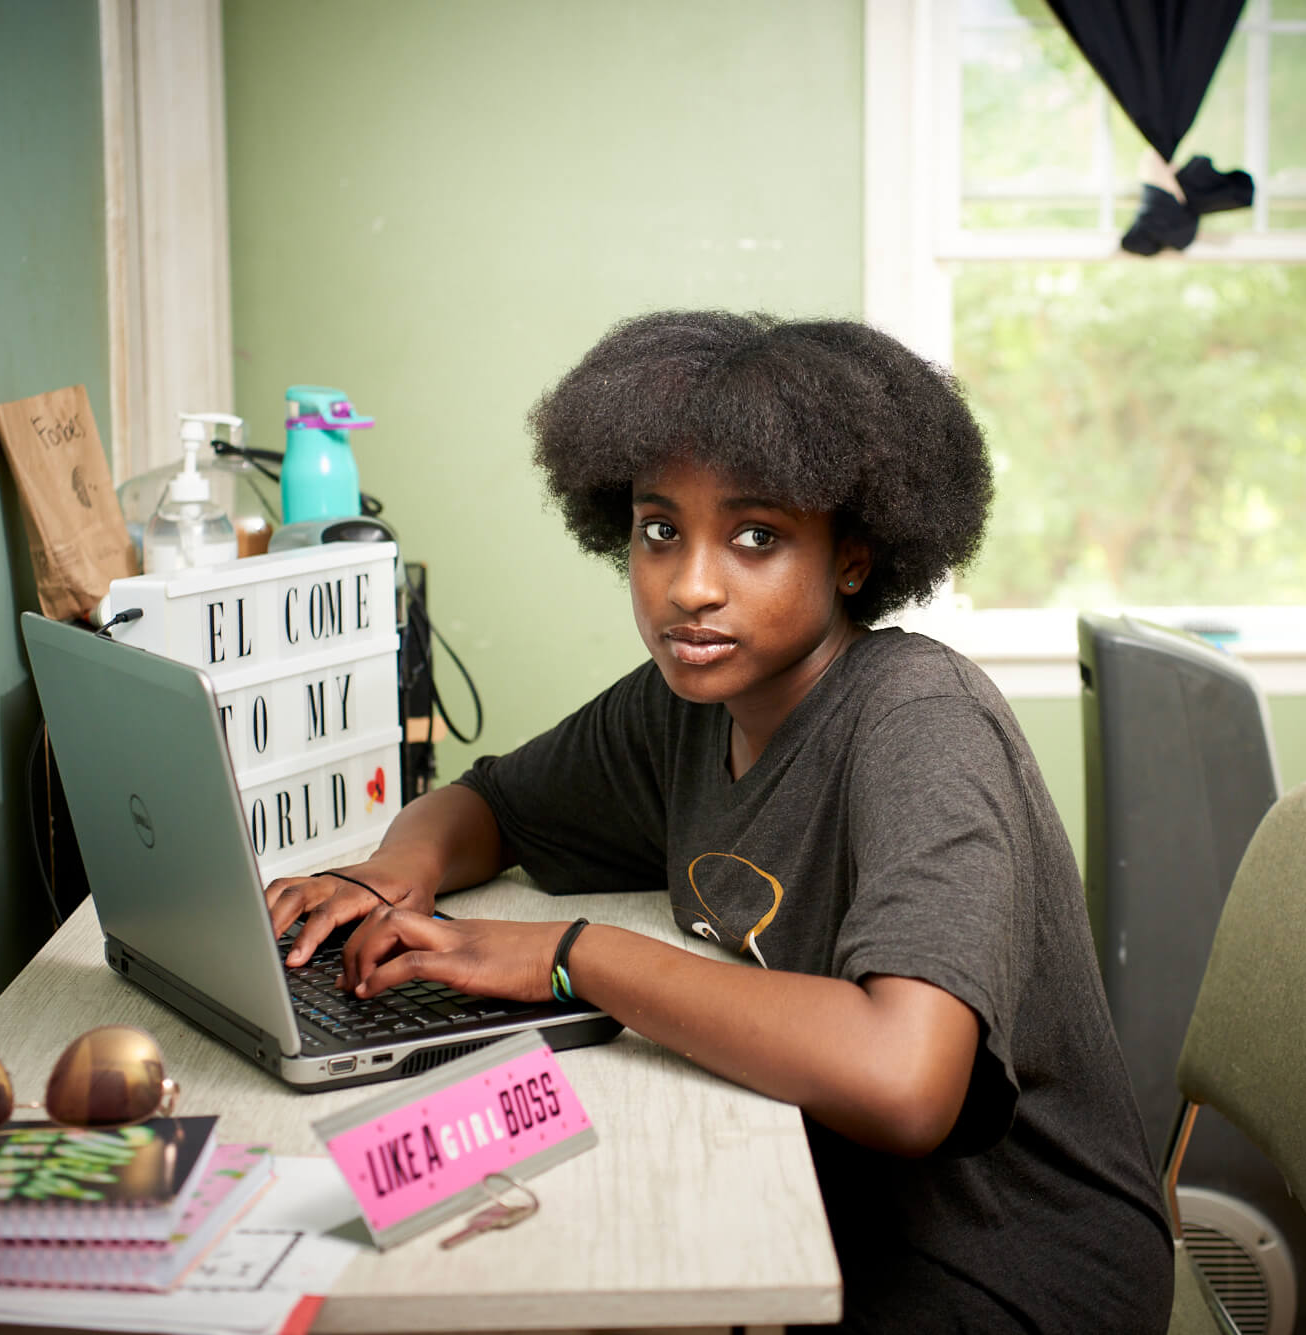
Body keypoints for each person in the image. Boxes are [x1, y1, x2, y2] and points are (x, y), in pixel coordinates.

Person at [264, 311, 1175, 1333]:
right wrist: (391, 872)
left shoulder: (921, 724)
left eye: (756, 537)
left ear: (852, 559)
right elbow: (490, 806)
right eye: (660, 532)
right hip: (815, 1199)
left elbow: (903, 1081)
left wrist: (572, 956)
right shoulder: (690, 705)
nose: (689, 587)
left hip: (1000, 1268)